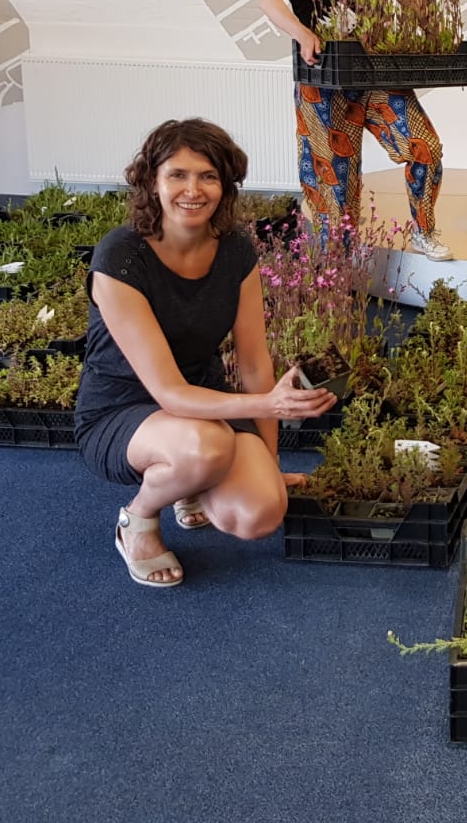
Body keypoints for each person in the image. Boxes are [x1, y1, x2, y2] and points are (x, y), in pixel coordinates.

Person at [74, 119, 338, 587]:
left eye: (208, 176)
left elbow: (256, 365)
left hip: (205, 400)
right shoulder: (120, 257)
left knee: (259, 514)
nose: (192, 189)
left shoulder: (235, 250)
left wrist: (270, 469)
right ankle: (137, 520)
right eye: (177, 174)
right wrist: (268, 406)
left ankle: (189, 484)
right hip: (122, 408)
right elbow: (170, 393)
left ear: (225, 186)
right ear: (152, 181)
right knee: (205, 447)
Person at [258, 0, 452, 260]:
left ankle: (424, 231)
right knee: (337, 184)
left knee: (425, 147)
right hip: (323, 80)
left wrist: (437, 30)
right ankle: (338, 264)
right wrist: (303, 32)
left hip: (375, 71)